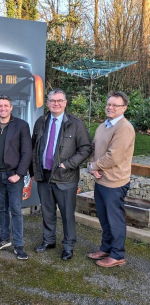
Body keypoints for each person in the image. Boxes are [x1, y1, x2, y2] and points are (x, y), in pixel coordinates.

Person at [31, 89, 91, 261]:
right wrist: (34, 172)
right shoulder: (41, 122)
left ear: (65, 103)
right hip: (44, 175)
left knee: (66, 215)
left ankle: (68, 246)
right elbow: (34, 148)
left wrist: (68, 164)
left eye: (59, 101)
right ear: (48, 103)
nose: (55, 104)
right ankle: (49, 241)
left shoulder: (75, 123)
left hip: (66, 177)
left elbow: (86, 148)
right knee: (47, 212)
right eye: (52, 101)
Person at [88, 91, 135, 267]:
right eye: (109, 104)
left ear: (124, 108)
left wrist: (94, 167)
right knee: (104, 217)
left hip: (115, 182)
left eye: (116, 105)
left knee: (115, 220)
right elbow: (94, 149)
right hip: (101, 179)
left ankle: (117, 254)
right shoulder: (103, 126)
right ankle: (106, 248)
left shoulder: (124, 128)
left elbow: (113, 157)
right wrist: (92, 167)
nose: (111, 107)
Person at [0, 95, 32, 260]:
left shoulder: (21, 125)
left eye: (5, 106)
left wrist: (19, 174)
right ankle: (4, 239)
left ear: (11, 107)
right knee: (2, 209)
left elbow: (27, 153)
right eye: (0, 106)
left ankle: (19, 245)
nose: (3, 108)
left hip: (13, 177)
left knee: (16, 211)